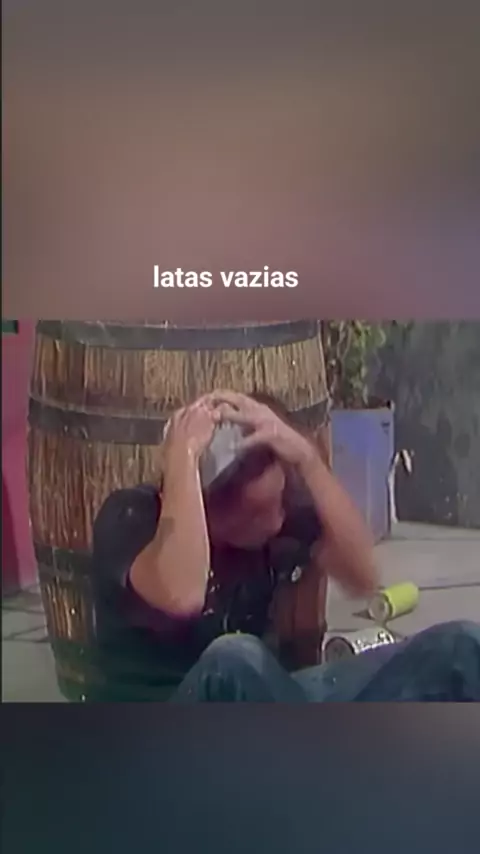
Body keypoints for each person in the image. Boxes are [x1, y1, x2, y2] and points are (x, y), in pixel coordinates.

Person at [92, 390, 480, 703]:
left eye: (279, 505)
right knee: (233, 660)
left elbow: (363, 576)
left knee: (459, 647)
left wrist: (307, 459)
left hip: (269, 704)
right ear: (209, 510)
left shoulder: (274, 527)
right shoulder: (131, 517)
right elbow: (182, 596)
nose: (278, 522)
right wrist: (185, 456)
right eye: (258, 516)